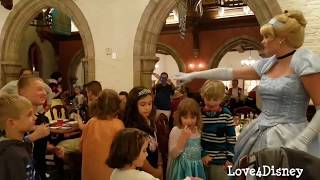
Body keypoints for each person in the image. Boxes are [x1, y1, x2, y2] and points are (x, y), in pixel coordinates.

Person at [175, 10, 320, 169]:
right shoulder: (268, 64)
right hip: (260, 132)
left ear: (282, 39)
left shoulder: (304, 61)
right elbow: (228, 72)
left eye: (267, 37)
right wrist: (196, 74)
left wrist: (302, 140)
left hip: (293, 136)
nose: (262, 41)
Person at [18, 75, 63, 180]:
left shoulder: (43, 119)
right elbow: (8, 148)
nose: (44, 93)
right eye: (39, 89)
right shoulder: (15, 119)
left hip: (40, 173)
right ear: (22, 92)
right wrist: (34, 136)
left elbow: (38, 148)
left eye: (44, 89)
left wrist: (53, 149)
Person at [80, 89, 124, 180]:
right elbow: (122, 153)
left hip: (88, 174)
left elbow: (81, 146)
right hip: (109, 175)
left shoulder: (91, 122)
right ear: (117, 107)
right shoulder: (118, 125)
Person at [124, 86, 163, 179]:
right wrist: (155, 172)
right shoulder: (134, 127)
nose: (147, 108)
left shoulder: (149, 120)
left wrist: (159, 163)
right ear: (134, 106)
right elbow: (138, 156)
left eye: (150, 104)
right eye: (143, 104)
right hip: (142, 172)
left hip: (153, 164)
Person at [200, 80, 236, 180]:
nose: (211, 102)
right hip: (204, 160)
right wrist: (202, 154)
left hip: (222, 162)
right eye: (208, 98)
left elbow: (231, 139)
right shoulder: (200, 115)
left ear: (221, 99)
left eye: (215, 99)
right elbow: (195, 138)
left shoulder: (226, 114)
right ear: (203, 96)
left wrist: (229, 159)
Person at [166, 98, 206, 180]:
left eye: (192, 117)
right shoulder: (176, 130)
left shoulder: (198, 130)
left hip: (196, 168)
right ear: (179, 117)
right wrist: (183, 138)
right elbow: (173, 154)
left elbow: (198, 148)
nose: (189, 121)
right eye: (185, 117)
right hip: (181, 170)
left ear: (197, 117)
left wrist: (204, 156)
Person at [0, 93, 36, 179]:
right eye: (29, 115)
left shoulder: (20, 145)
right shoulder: (12, 155)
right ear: (12, 123)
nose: (35, 117)